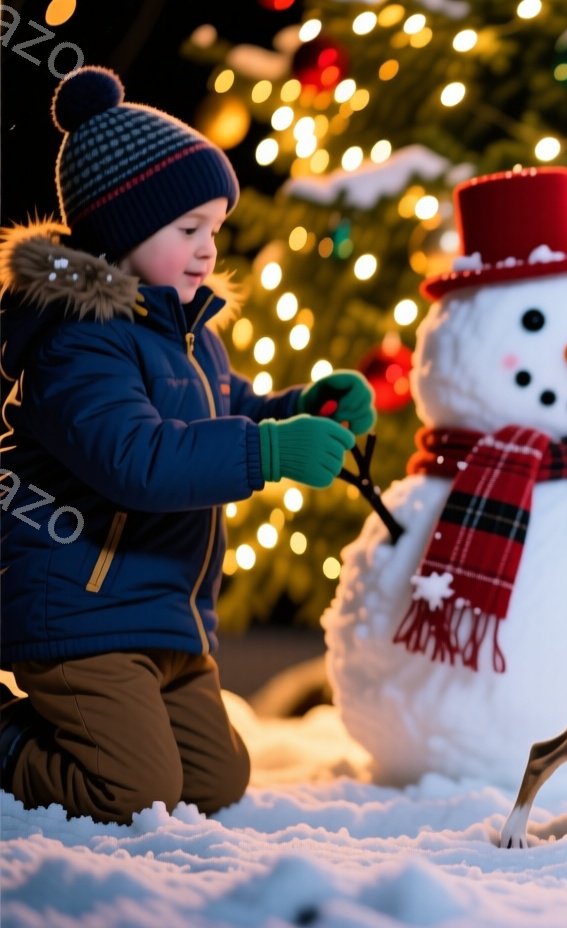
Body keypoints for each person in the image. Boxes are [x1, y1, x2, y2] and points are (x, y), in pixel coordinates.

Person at [0, 67, 376, 823]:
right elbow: (140, 461)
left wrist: (298, 407)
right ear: (121, 229)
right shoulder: (80, 343)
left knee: (213, 784)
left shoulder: (187, 334)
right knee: (132, 794)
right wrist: (268, 452)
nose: (209, 250)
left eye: (215, 229)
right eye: (188, 230)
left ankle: (103, 731)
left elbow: (221, 409)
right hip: (82, 612)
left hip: (166, 613)